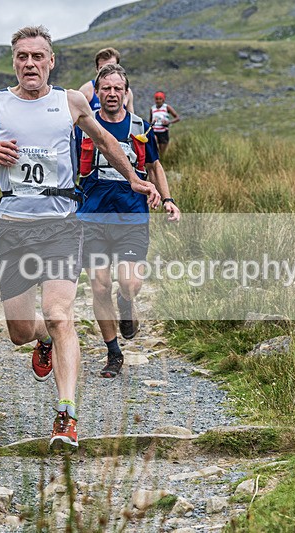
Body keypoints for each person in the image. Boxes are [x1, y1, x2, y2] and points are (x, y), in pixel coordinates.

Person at [0, 26, 160, 448]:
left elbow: (106, 141)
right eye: (22, 56)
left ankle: (66, 415)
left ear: (51, 61)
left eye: (37, 56)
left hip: (61, 223)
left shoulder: (70, 102)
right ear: (14, 62)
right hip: (12, 226)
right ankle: (40, 339)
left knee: (61, 315)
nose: (30, 64)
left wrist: (134, 178)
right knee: (20, 330)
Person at [76, 64, 180, 378]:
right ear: (97, 92)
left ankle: (126, 302)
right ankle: (113, 352)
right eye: (105, 88)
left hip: (132, 217)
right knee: (99, 285)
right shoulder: (84, 126)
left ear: (126, 92)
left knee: (130, 283)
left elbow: (155, 166)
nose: (111, 94)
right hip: (93, 217)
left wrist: (168, 199)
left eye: (117, 89)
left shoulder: (140, 127)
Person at [78, 47, 135, 114]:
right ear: (97, 69)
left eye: (111, 67)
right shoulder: (86, 90)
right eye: (103, 69)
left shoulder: (127, 92)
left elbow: (132, 117)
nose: (108, 72)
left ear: (118, 67)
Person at [149, 91, 180, 155]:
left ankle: (162, 159)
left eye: (160, 99)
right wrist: (149, 127)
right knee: (154, 147)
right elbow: (150, 120)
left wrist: (169, 122)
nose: (158, 101)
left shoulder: (166, 107)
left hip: (163, 132)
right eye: (157, 99)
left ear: (163, 99)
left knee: (162, 152)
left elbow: (177, 118)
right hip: (154, 131)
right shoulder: (152, 108)